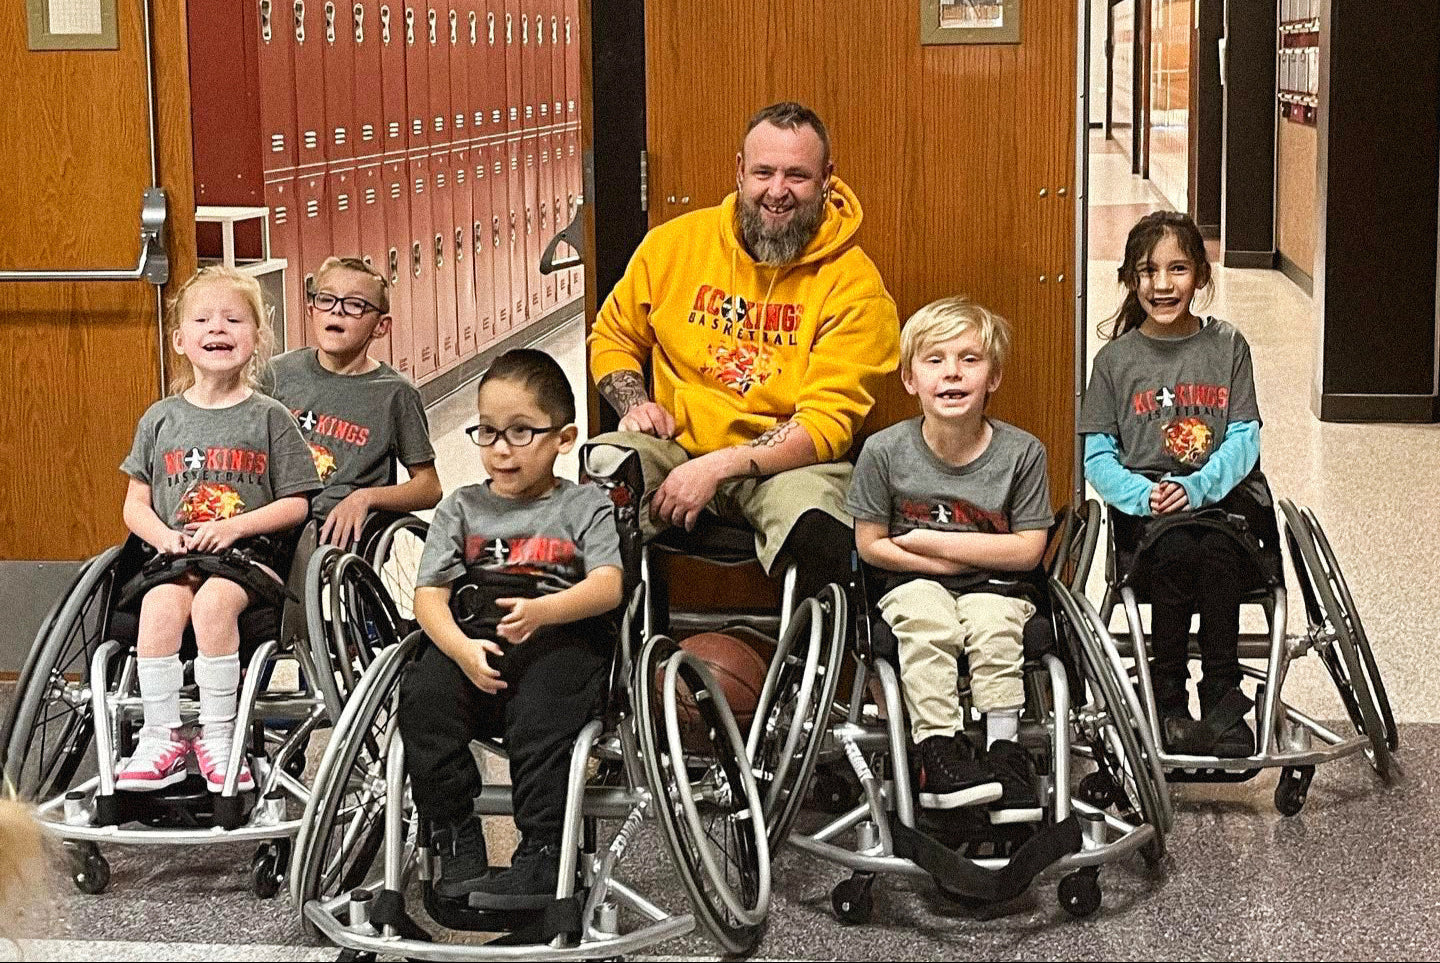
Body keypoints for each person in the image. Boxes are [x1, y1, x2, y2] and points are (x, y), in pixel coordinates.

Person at [587, 101, 899, 600]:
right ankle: (605, 658)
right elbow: (614, 337)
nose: (777, 191)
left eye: (797, 175)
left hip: (788, 467)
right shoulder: (673, 245)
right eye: (763, 172)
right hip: (674, 447)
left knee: (821, 527)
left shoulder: (855, 285)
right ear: (738, 171)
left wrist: (715, 467)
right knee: (602, 481)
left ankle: (813, 670)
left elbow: (826, 424)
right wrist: (635, 405)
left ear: (826, 179)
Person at [398, 349, 623, 909]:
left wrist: (545, 612)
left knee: (545, 715)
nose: (501, 449)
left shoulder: (584, 504)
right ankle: (454, 834)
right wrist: (460, 648)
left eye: (521, 432)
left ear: (563, 438)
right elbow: (429, 596)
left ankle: (544, 851)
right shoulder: (460, 508)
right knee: (424, 697)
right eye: (489, 432)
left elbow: (608, 586)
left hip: (559, 636)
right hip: (472, 634)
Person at [116, 266, 321, 792]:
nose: (218, 328)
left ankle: (219, 733)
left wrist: (234, 527)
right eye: (203, 319)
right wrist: (162, 537)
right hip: (176, 552)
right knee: (160, 607)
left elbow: (296, 504)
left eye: (234, 319)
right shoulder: (159, 419)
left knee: (211, 606)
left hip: (246, 554)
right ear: (181, 340)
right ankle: (161, 736)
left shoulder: (270, 417)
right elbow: (135, 504)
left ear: (257, 338)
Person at [848, 297, 1051, 822]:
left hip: (998, 590)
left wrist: (924, 542)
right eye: (934, 360)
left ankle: (1005, 753)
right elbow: (870, 545)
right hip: (910, 585)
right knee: (928, 618)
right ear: (910, 379)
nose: (952, 373)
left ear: (994, 377)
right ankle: (938, 751)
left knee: (992, 622)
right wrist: (964, 563)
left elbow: (1028, 551)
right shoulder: (883, 452)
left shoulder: (1022, 453)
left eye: (969, 359)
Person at [1078, 210, 1272, 757]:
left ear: (1202, 276)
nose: (1162, 285)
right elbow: (1097, 455)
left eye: (1178, 269)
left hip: (1221, 502)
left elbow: (1243, 436)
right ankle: (1165, 697)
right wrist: (1145, 496)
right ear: (1130, 280)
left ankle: (1220, 694)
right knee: (1171, 555)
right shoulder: (1114, 362)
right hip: (1148, 507)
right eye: (1148, 272)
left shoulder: (1228, 346)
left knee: (1215, 555)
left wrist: (1198, 488)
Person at [264, 256, 441, 548]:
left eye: (355, 304)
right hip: (276, 514)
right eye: (327, 299)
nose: (337, 310)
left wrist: (365, 497)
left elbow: (429, 487)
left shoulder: (395, 394)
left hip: (336, 529)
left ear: (381, 327)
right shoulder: (278, 373)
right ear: (311, 310)